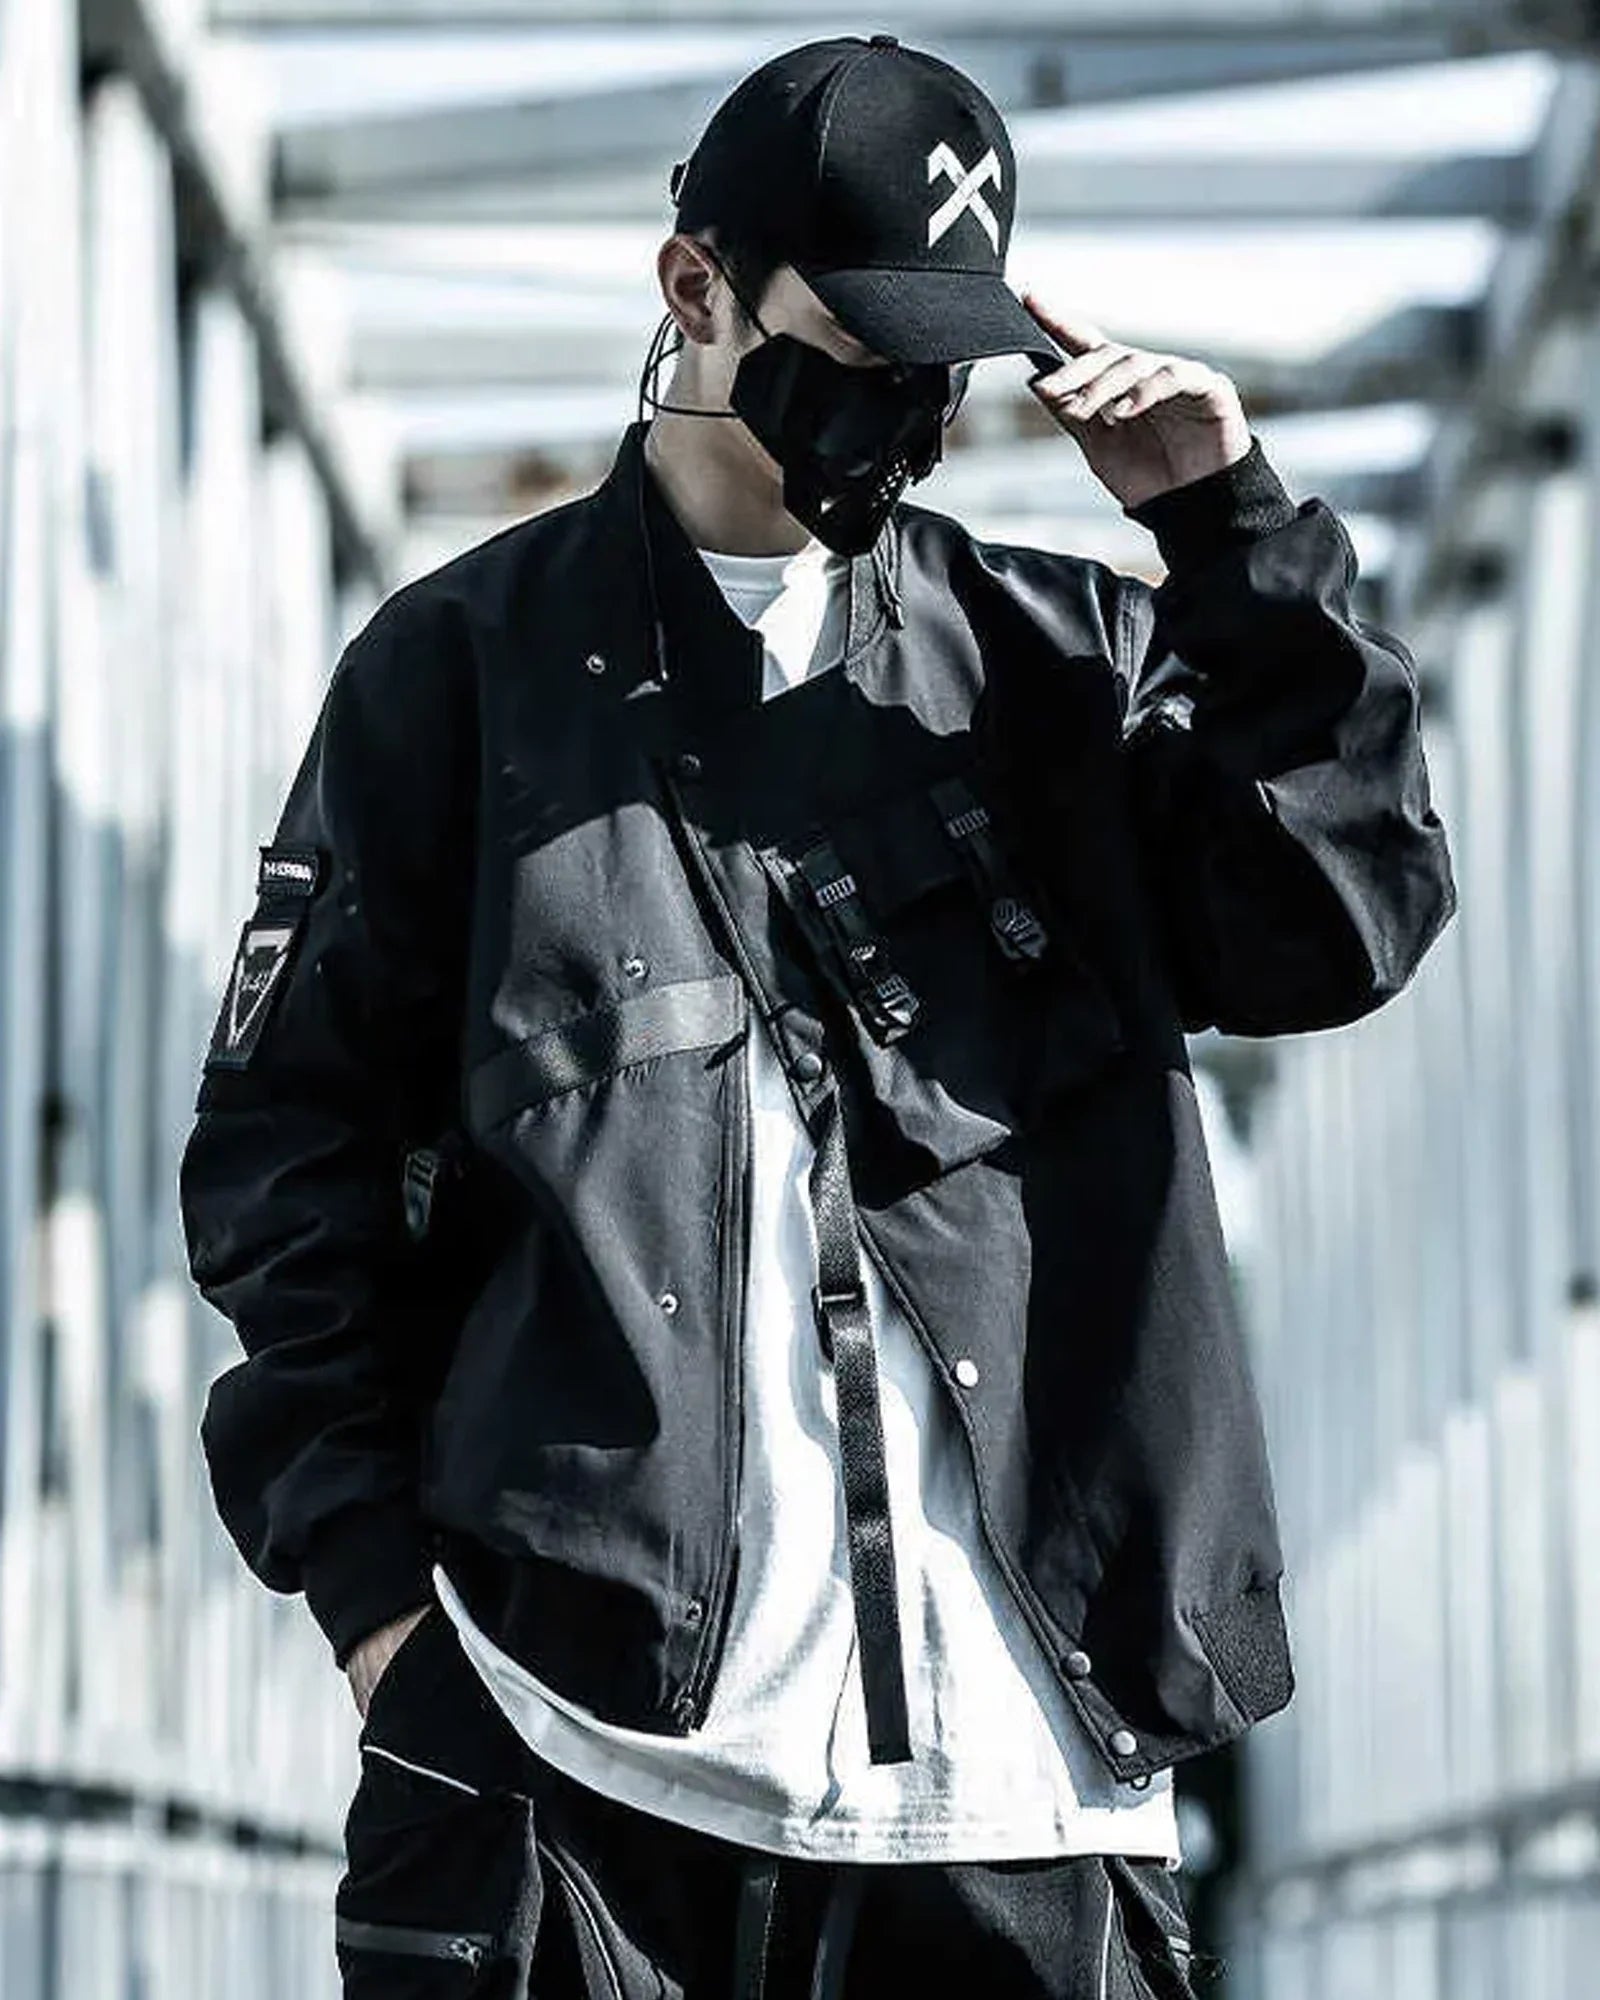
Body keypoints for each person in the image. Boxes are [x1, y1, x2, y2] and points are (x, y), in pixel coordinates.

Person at [177, 32, 1456, 2000]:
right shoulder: (455, 678)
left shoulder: (1065, 664)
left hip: (1036, 1786)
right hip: (574, 1773)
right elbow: (289, 1178)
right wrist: (384, 1632)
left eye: (939, 369)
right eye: (854, 351)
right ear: (691, 288)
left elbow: (1337, 928)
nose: (903, 416)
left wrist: (1235, 542)